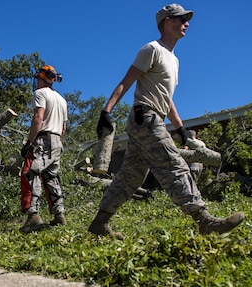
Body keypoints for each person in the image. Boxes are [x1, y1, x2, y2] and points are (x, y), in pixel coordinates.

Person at [88, 4, 244, 239]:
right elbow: (126, 82)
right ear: (167, 21)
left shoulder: (175, 60)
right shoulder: (152, 49)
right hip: (145, 118)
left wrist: (180, 128)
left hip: (153, 117)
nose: (187, 24)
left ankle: (100, 223)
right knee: (174, 164)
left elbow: (167, 100)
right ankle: (204, 220)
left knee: (131, 175)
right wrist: (106, 111)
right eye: (182, 19)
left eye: (187, 20)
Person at [20, 65, 67, 233]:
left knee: (30, 173)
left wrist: (29, 142)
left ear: (41, 78)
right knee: (52, 177)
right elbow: (63, 128)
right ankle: (59, 214)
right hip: (57, 141)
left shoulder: (40, 94)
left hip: (43, 139)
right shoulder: (61, 100)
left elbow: (38, 118)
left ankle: (33, 216)